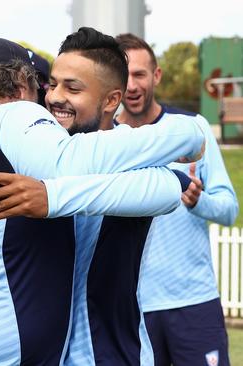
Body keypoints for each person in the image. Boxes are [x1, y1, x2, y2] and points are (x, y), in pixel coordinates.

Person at [0, 38, 204, 365]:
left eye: (69, 87)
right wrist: (193, 133)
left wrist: (49, 197)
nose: (51, 99)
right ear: (23, 86)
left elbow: (167, 189)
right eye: (47, 87)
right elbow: (160, 180)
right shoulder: (16, 122)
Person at [116, 33, 238, 366]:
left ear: (156, 76)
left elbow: (229, 210)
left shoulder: (191, 128)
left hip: (193, 302)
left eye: (139, 74)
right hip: (130, 307)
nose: (131, 85)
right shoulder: (105, 139)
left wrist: (199, 201)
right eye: (123, 75)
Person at [44, 26, 160, 365]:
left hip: (110, 355)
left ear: (112, 100)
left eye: (72, 87)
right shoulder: (37, 150)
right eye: (53, 84)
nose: (54, 96)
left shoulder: (139, 161)